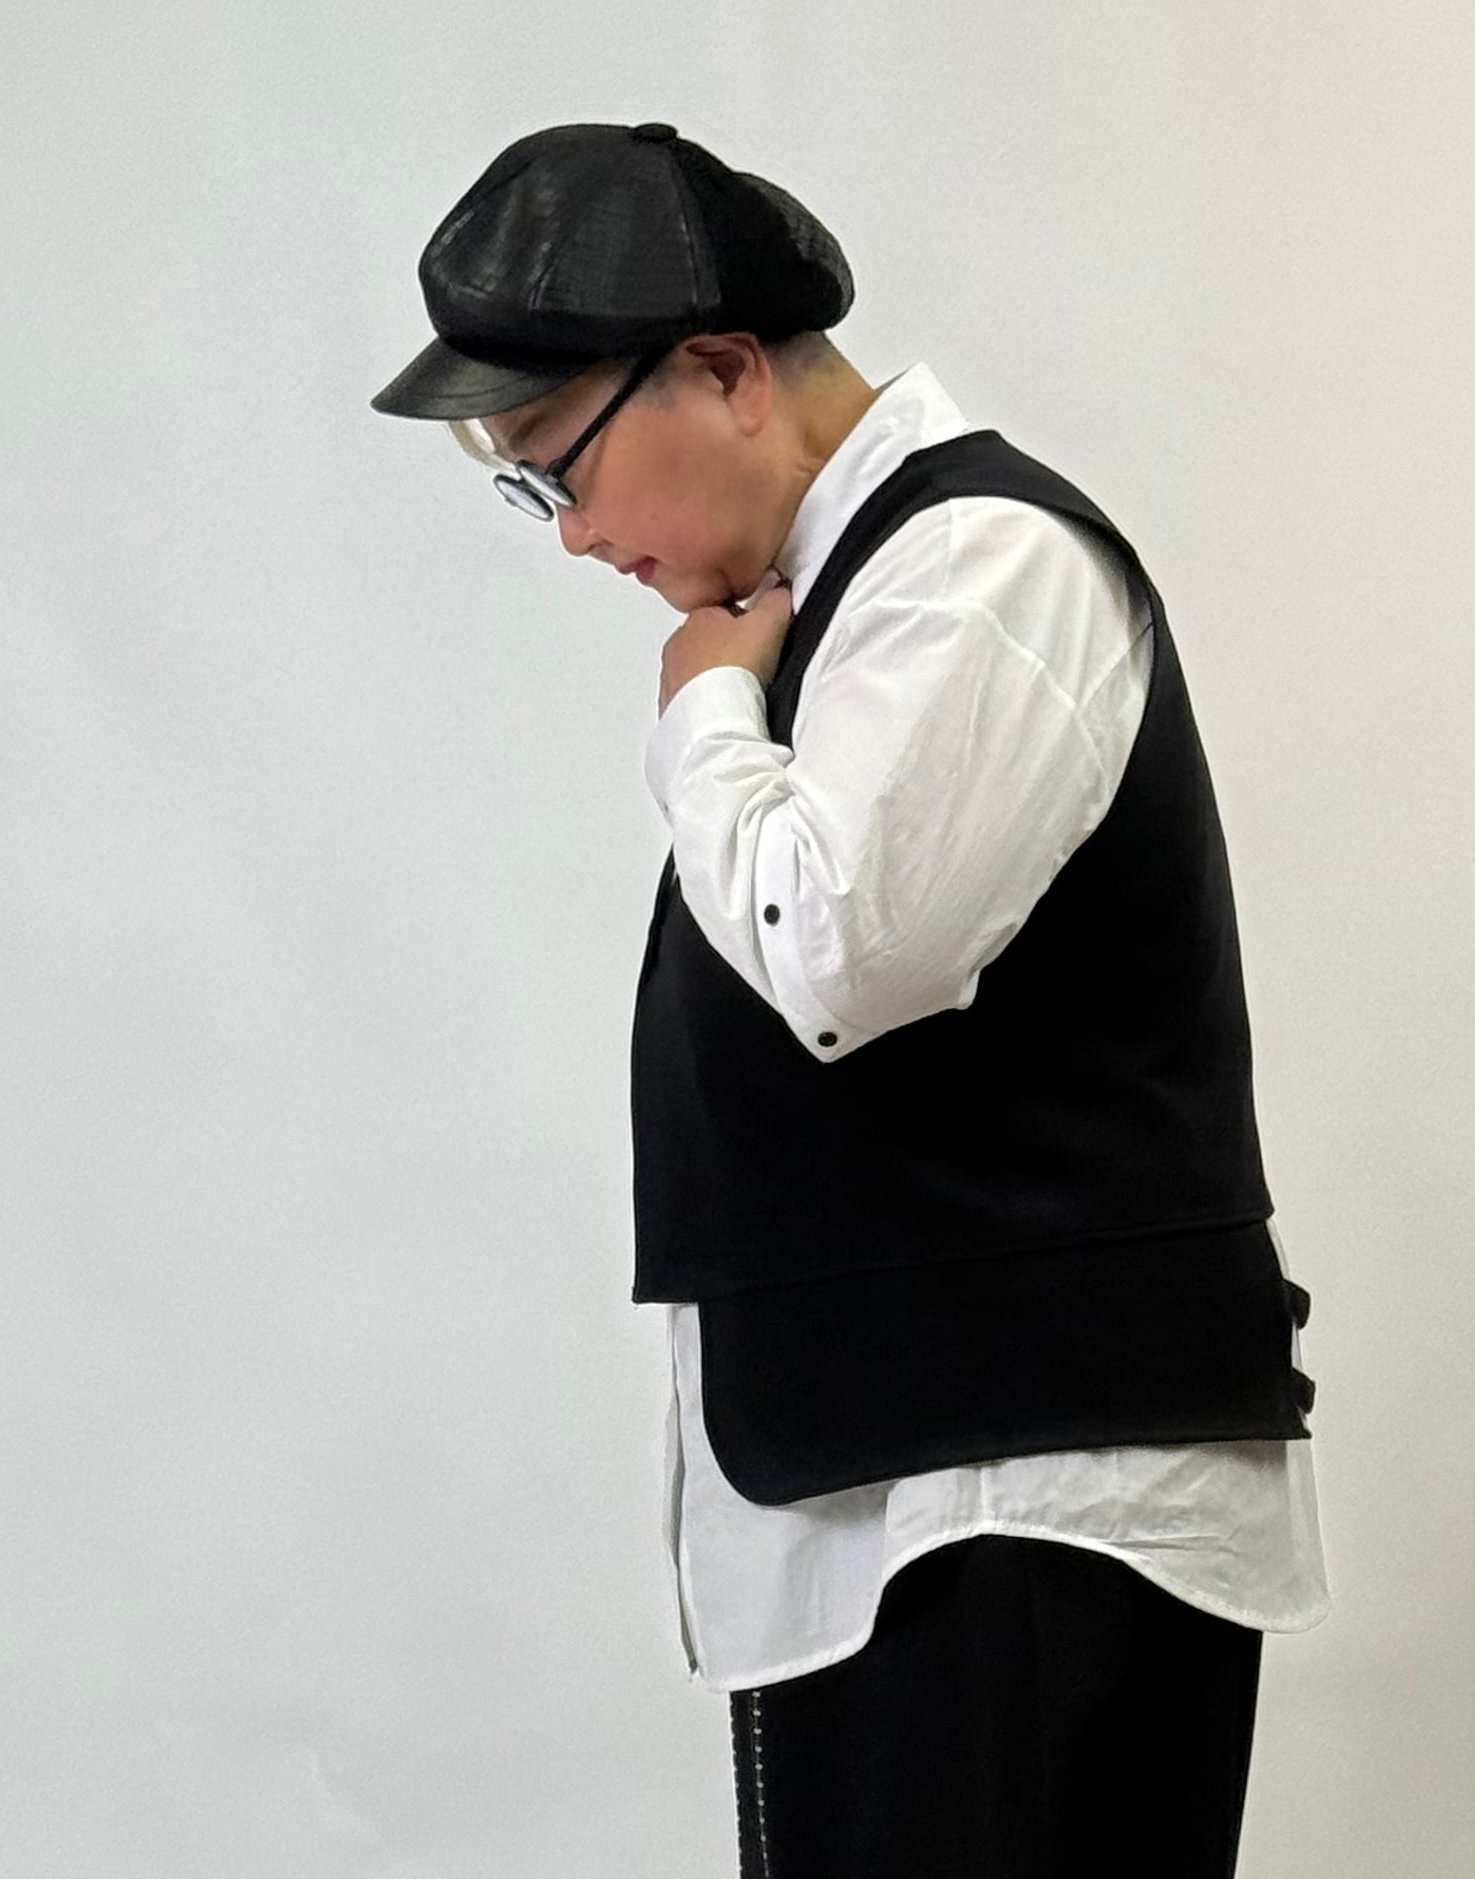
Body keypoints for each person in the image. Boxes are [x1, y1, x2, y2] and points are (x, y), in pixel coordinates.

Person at [370, 120, 1330, 1879]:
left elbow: (837, 949)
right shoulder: (859, 598)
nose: (574, 536)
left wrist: (703, 714)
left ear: (726, 370)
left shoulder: (979, 571)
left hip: (1027, 1515)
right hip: (923, 1493)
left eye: (560, 465)